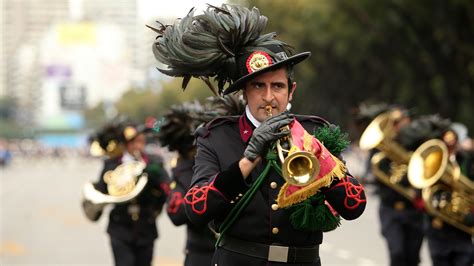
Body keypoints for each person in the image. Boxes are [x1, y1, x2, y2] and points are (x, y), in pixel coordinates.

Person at [150, 4, 366, 265]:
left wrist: (319, 156)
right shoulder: (216, 136)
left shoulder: (314, 131)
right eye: (258, 86)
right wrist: (247, 161)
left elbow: (355, 206)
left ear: (291, 90)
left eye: (277, 86)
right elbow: (195, 209)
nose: (268, 97)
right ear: (244, 92)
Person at [85, 122, 170, 266]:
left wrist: (153, 174)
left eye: (140, 141)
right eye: (133, 142)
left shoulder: (153, 162)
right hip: (120, 227)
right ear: (125, 144)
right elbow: (102, 189)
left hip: (146, 226)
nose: (137, 146)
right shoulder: (112, 164)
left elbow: (166, 190)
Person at [358, 104, 426, 266]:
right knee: (397, 253)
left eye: (402, 121)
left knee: (412, 257)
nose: (399, 126)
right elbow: (372, 172)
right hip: (390, 209)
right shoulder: (380, 149)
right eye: (396, 123)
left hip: (413, 209)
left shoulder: (417, 145)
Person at [405, 118, 474, 266]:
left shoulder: (467, 161)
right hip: (438, 229)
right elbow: (419, 194)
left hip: (462, 232)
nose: (450, 150)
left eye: (453, 146)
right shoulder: (431, 160)